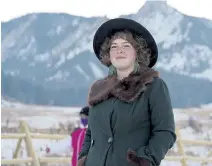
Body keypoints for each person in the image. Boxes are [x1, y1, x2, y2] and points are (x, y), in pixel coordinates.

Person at [78, 18, 177, 166]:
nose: (119, 50)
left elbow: (165, 132)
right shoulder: (98, 90)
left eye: (126, 45)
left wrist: (144, 160)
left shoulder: (153, 86)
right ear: (108, 54)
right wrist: (83, 159)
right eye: (114, 46)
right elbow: (90, 133)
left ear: (137, 52)